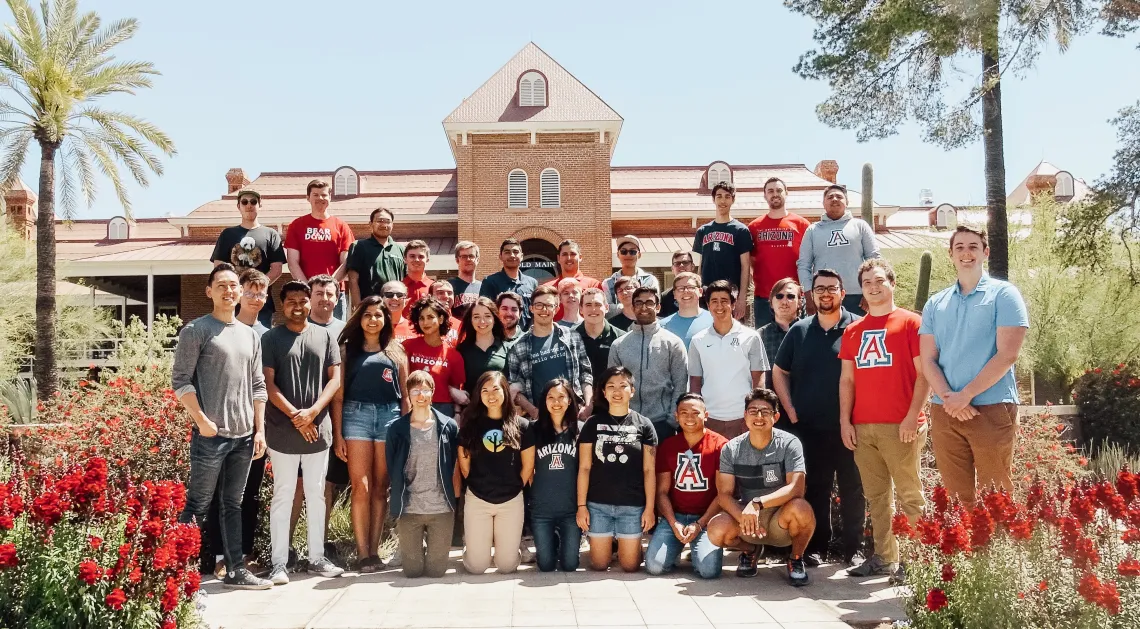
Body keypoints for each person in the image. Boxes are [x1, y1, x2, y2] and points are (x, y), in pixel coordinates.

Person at [172, 263, 272, 590]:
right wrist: (201, 421)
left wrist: (259, 431)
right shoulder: (196, 331)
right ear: (209, 292)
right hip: (210, 437)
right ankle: (172, 571)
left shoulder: (250, 336)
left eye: (233, 285)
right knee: (197, 505)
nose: (229, 291)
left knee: (233, 505)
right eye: (222, 286)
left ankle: (235, 570)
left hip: (244, 438)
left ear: (240, 291)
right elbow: (181, 382)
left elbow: (259, 385)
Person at [919, 226, 1029, 506]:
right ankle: (966, 551)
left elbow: (1008, 355)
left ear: (985, 252)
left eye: (973, 247)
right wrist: (948, 398)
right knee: (957, 501)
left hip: (990, 408)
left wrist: (965, 395)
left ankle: (999, 551)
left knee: (997, 497)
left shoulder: (1005, 295)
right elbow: (928, 358)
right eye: (960, 247)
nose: (966, 253)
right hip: (945, 410)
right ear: (951, 254)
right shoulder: (936, 303)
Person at [839, 259, 927, 583]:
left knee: (909, 495)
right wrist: (845, 422)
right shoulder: (852, 332)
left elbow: (924, 375)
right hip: (863, 428)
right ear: (861, 290)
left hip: (900, 426)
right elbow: (846, 381)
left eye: (879, 281)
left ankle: (919, 560)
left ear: (891, 282)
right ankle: (885, 558)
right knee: (876, 497)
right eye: (867, 283)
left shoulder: (911, 324)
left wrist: (912, 416)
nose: (874, 288)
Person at [773, 270, 864, 566]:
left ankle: (854, 549)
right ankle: (815, 547)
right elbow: (779, 371)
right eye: (820, 288)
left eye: (832, 288)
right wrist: (789, 408)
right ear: (811, 295)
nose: (826, 293)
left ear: (842, 292)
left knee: (853, 488)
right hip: (809, 428)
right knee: (816, 488)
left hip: (851, 426)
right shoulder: (799, 331)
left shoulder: (858, 328)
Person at [261, 281, 344, 585]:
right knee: (283, 495)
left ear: (311, 303)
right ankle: (279, 562)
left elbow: (334, 382)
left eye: (303, 300)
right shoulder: (270, 339)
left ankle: (317, 558)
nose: (298, 305)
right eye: (291, 300)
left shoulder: (325, 336)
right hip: (282, 431)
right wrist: (296, 416)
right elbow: (268, 385)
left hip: (317, 431)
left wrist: (311, 414)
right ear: (282, 306)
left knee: (316, 495)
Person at [706, 388, 815, 587]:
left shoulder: (790, 444)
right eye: (753, 411)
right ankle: (750, 551)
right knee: (716, 529)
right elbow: (724, 495)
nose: (759, 416)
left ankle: (796, 559)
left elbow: (796, 488)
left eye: (765, 412)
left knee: (802, 508)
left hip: (781, 517)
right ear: (745, 416)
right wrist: (744, 518)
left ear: (776, 416)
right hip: (748, 517)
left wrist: (758, 503)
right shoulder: (731, 449)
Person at [332, 296, 409, 573]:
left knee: (380, 487)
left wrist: (405, 431)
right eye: (368, 315)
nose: (373, 319)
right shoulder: (346, 351)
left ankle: (375, 552)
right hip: (356, 416)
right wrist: (338, 435)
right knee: (361, 486)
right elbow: (338, 398)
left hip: (389, 417)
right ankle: (362, 553)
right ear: (359, 318)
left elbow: (405, 397)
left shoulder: (396, 351)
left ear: (386, 319)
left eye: (379, 315)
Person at [206, 269, 272, 579]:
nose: (256, 297)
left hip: (252, 428)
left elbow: (262, 385)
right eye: (251, 290)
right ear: (238, 292)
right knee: (222, 495)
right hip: (219, 428)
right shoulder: (217, 329)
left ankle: (244, 555)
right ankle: (221, 556)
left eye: (262, 292)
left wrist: (261, 429)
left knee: (250, 495)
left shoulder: (266, 334)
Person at [577, 366, 658, 572]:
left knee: (630, 566)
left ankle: (625, 543)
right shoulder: (592, 424)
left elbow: (649, 471)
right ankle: (609, 542)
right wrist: (581, 507)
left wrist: (649, 508)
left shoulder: (645, 425)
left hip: (631, 506)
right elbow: (585, 467)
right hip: (598, 505)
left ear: (632, 390)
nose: (617, 391)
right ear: (603, 392)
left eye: (623, 386)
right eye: (611, 386)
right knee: (599, 564)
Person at [386, 370, 462, 578]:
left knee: (436, 571)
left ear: (433, 393)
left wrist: (455, 503)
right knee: (412, 571)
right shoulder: (397, 429)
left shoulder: (448, 426)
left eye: (426, 390)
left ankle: (436, 546)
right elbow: (393, 467)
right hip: (410, 509)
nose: (421, 396)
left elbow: (456, 466)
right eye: (416, 391)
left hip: (441, 508)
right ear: (408, 395)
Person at [458, 371, 534, 574]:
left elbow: (528, 466)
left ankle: (508, 548)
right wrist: (479, 485)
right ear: (478, 395)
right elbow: (464, 465)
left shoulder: (522, 426)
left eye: (496, 389)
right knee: (477, 567)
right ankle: (473, 547)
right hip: (478, 498)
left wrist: (514, 486)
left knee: (507, 566)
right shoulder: (470, 426)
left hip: (510, 500)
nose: (491, 395)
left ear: (505, 392)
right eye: (485, 390)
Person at [646, 393, 728, 579]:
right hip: (675, 517)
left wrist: (700, 525)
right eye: (684, 412)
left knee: (709, 572)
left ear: (706, 415)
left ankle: (698, 548)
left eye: (695, 412)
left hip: (708, 518)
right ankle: (675, 548)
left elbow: (723, 493)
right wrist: (674, 523)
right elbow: (661, 492)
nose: (689, 417)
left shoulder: (720, 445)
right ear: (676, 416)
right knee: (654, 567)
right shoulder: (668, 445)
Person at [688, 280, 769, 440]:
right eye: (714, 301)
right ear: (708, 306)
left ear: (733, 305)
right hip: (710, 419)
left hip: (742, 418)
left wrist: (752, 415)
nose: (719, 306)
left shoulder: (751, 337)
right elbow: (695, 382)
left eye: (724, 301)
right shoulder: (698, 340)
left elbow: (758, 381)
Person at [608, 287, 688, 442]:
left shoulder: (673, 343)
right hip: (626, 421)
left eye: (649, 303)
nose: (644, 307)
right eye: (639, 303)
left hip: (662, 423)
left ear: (658, 307)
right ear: (633, 307)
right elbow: (612, 385)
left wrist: (671, 421)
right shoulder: (618, 345)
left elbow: (680, 384)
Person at [521, 379, 583, 572]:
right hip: (542, 510)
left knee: (570, 565)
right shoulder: (533, 429)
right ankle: (552, 540)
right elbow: (529, 469)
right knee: (546, 565)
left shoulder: (579, 429)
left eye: (561, 397)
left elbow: (584, 469)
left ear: (570, 400)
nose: (556, 402)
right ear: (544, 401)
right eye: (551, 397)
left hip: (570, 510)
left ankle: (567, 540)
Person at [507, 285, 594, 420]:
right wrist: (534, 411)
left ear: (556, 309)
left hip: (573, 415)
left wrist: (588, 405)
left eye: (549, 305)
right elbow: (514, 387)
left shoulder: (572, 336)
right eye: (539, 305)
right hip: (540, 419)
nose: (544, 310)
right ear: (531, 308)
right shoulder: (518, 346)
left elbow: (585, 373)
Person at [796, 185, 881, 316]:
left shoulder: (860, 226)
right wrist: (808, 295)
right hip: (824, 296)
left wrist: (870, 292)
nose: (834, 199)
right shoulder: (813, 230)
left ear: (847, 202)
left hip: (857, 297)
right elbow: (804, 265)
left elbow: (874, 259)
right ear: (823, 203)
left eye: (839, 196)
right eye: (830, 197)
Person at [210, 189, 285, 328]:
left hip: (260, 303)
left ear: (259, 205)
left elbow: (276, 269)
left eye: (253, 202)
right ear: (239, 206)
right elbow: (219, 268)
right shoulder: (227, 234)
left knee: (261, 343)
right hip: (232, 300)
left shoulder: (271, 234)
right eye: (244, 202)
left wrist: (255, 289)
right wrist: (237, 291)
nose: (249, 205)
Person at [284, 180, 355, 320]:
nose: (320, 198)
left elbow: (346, 262)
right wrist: (309, 289)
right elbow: (292, 262)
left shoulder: (341, 226)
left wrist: (328, 287)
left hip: (334, 294)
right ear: (308, 198)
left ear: (330, 197)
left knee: (335, 336)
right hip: (306, 294)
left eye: (324, 195)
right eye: (315, 195)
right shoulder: (297, 226)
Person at [748, 178, 810, 327]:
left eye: (779, 190)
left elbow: (809, 260)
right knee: (766, 345)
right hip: (764, 298)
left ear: (786, 193)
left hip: (793, 297)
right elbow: (749, 261)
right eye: (770, 191)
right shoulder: (754, 227)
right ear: (765, 196)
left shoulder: (802, 225)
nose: (775, 194)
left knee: (797, 344)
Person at [693, 181, 752, 320]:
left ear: (733, 199)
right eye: (719, 196)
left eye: (727, 196)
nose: (723, 200)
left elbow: (746, 266)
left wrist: (742, 298)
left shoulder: (740, 230)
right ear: (713, 199)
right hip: (707, 294)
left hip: (731, 295)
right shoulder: (703, 231)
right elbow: (701, 265)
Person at [401, 297, 468, 417]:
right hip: (413, 404)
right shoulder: (407, 346)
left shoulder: (453, 355)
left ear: (441, 319)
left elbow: (456, 390)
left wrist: (457, 414)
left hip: (443, 409)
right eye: (421, 318)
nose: (425, 322)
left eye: (430, 317)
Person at [346, 207, 406, 304]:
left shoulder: (400, 250)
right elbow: (353, 280)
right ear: (370, 224)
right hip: (370, 307)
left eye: (387, 221)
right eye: (380, 221)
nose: (384, 224)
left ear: (392, 225)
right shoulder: (359, 246)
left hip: (395, 305)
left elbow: (407, 281)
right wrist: (358, 308)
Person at [457, 297, 512, 396]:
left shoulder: (508, 348)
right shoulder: (462, 350)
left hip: (500, 409)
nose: (482, 321)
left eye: (487, 316)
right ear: (471, 320)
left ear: (494, 319)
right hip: (472, 409)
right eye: (476, 317)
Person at [480, 239, 539, 329]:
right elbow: (484, 313)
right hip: (500, 338)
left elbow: (535, 313)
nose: (512, 255)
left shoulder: (532, 283)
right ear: (500, 256)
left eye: (515, 252)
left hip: (527, 338)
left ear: (522, 256)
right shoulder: (490, 282)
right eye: (507, 252)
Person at [575, 287, 625, 392]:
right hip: (579, 401)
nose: (593, 309)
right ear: (581, 309)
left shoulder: (621, 338)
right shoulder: (571, 337)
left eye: (598, 305)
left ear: (606, 308)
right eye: (588, 305)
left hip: (611, 400)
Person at [758, 278, 803, 391]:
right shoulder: (759, 336)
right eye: (779, 296)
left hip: (804, 401)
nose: (784, 301)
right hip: (771, 403)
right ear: (771, 302)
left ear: (800, 302)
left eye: (790, 296)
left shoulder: (811, 332)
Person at [543, 239, 601, 319]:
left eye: (573, 254)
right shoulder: (548, 288)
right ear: (558, 258)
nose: (569, 258)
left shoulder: (594, 285)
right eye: (564, 254)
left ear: (580, 257)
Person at [602, 235, 660, 309]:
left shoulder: (650, 280)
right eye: (623, 251)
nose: (628, 255)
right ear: (618, 255)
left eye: (632, 251)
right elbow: (606, 308)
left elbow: (654, 305)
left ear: (639, 255)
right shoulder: (608, 283)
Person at [660, 272, 713, 348]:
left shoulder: (715, 321)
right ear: (674, 294)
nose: (686, 291)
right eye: (680, 288)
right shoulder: (663, 326)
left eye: (691, 287)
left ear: (700, 292)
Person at [448, 241, 482, 318]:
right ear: (457, 260)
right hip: (457, 329)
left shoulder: (483, 287)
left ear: (477, 259)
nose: (468, 259)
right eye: (464, 256)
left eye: (471, 256)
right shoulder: (449, 286)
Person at [401, 240, 435, 317]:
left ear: (427, 260)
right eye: (412, 256)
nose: (416, 260)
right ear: (405, 259)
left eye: (421, 256)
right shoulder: (398, 288)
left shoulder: (434, 287)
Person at [658, 251, 696, 318]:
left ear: (692, 266)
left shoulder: (706, 293)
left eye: (685, 262)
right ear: (672, 269)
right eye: (677, 263)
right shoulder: (665, 297)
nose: (681, 265)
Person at [429, 280, 464, 345]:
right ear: (430, 297)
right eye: (440, 292)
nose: (446, 296)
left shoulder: (461, 326)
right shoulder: (423, 323)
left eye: (450, 293)